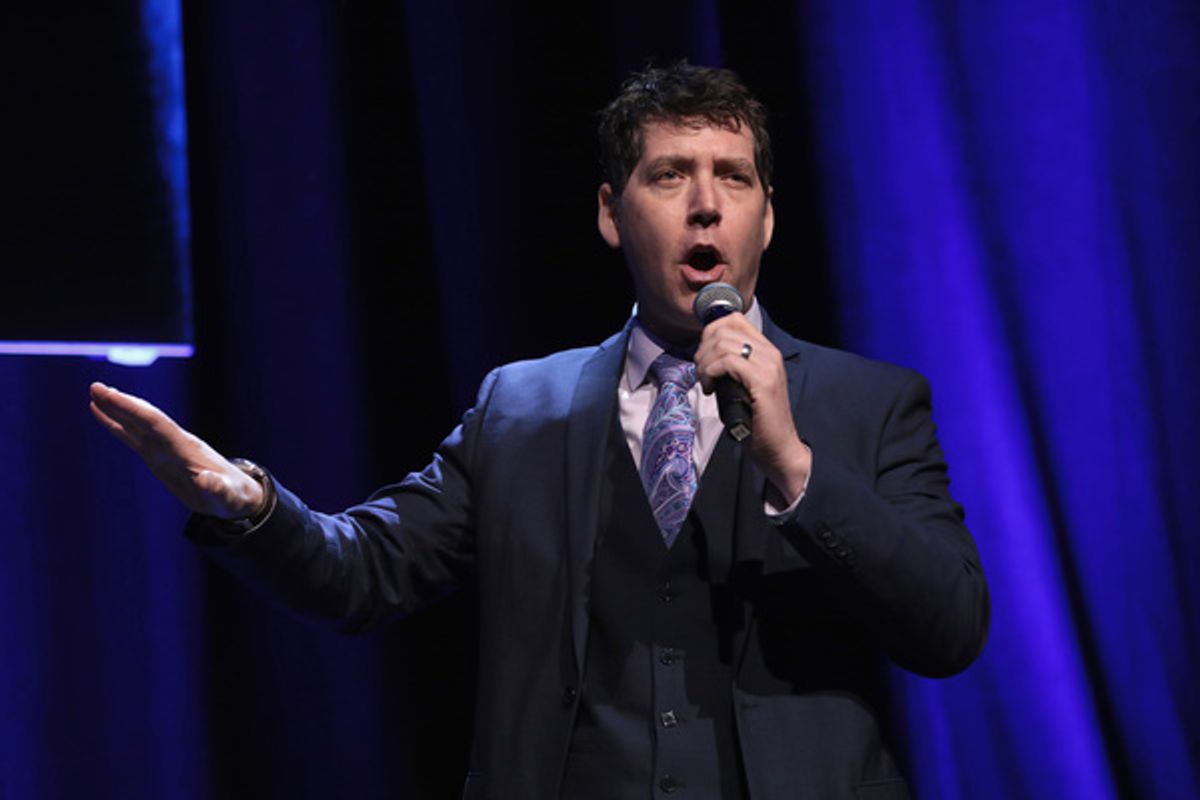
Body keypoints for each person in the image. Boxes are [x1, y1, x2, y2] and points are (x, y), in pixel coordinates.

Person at [90, 63, 988, 799]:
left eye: (734, 178)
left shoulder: (873, 403)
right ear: (610, 212)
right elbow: (363, 572)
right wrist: (247, 503)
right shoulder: (521, 407)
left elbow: (949, 628)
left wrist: (792, 464)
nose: (706, 205)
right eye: (671, 175)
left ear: (768, 217)